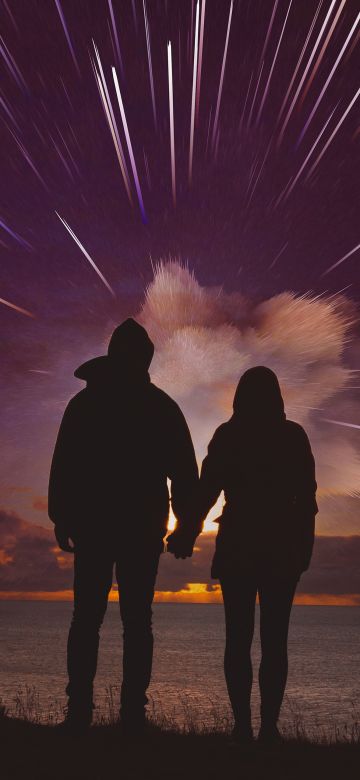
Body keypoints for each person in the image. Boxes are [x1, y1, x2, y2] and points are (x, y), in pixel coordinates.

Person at [48, 318, 199, 734]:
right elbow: (184, 474)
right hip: (135, 526)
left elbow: (64, 466)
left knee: (91, 619)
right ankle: (125, 713)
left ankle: (88, 711)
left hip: (105, 525)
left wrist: (62, 515)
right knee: (131, 621)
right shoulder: (159, 406)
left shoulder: (88, 405)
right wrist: (185, 526)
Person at [198, 366, 317, 745]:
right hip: (280, 548)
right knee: (273, 641)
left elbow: (206, 491)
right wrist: (304, 550)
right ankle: (265, 729)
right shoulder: (292, 436)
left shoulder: (228, 434)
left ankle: (246, 728)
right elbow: (307, 503)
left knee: (239, 639)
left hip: (239, 546)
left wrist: (185, 531)